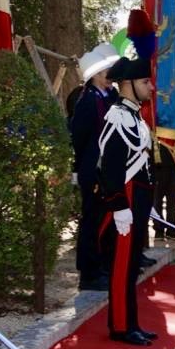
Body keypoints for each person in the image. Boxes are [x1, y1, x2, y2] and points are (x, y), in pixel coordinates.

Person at [98, 54, 159, 346]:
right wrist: (119, 206)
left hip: (138, 201)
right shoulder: (117, 117)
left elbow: (142, 165)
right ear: (127, 84)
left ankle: (131, 322)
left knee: (132, 265)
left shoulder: (134, 117)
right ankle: (121, 326)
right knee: (122, 267)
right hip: (125, 203)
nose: (151, 87)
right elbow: (110, 169)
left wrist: (148, 204)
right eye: (146, 82)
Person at [70, 43, 121, 291]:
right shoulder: (87, 100)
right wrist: (82, 167)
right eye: (106, 71)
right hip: (93, 170)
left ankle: (104, 265)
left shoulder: (108, 97)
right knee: (91, 221)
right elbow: (78, 137)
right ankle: (88, 273)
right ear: (96, 75)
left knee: (105, 220)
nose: (110, 75)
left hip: (107, 169)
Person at [150, 140, 175, 244]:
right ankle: (159, 229)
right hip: (156, 169)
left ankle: (172, 230)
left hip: (173, 168)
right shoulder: (151, 130)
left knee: (173, 203)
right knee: (156, 202)